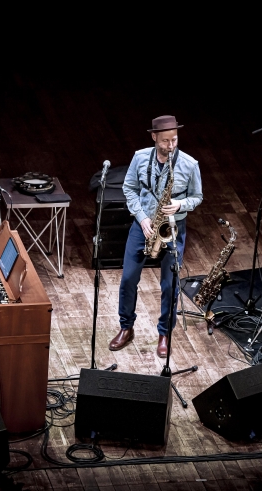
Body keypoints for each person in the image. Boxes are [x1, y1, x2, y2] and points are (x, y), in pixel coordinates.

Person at [110, 115, 203, 357]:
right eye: (165, 141)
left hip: (172, 229)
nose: (171, 146)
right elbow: (129, 188)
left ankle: (164, 333)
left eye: (174, 140)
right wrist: (142, 218)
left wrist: (180, 204)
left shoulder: (189, 164)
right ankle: (126, 327)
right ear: (154, 137)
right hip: (143, 226)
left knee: (169, 285)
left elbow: (197, 197)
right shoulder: (140, 157)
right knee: (128, 279)